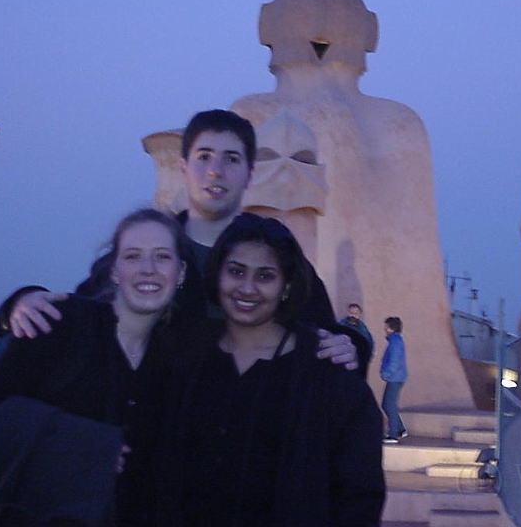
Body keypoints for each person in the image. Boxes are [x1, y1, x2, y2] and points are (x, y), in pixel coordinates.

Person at [0, 110, 359, 368]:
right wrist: (21, 303)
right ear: (184, 168)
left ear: (250, 174)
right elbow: (84, 312)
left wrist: (351, 344)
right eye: (204, 157)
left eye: (231, 159)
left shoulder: (274, 252)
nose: (216, 170)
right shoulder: (149, 250)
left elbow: (324, 331)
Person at [0, 208, 190, 526]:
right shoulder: (61, 322)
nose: (147, 269)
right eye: (133, 256)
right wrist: (88, 447)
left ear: (181, 273)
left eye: (162, 257)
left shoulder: (170, 363)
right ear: (114, 270)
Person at [155, 213, 385, 526]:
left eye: (265, 276)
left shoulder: (328, 380)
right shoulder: (185, 362)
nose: (247, 288)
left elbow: (359, 497)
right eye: (236, 271)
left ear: (286, 286)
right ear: (217, 274)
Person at [380, 316, 408, 444]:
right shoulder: (395, 341)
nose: (384, 329)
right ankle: (400, 429)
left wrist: (386, 373)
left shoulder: (395, 342)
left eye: (386, 327)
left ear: (391, 328)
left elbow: (394, 362)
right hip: (396, 377)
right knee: (389, 404)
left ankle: (393, 434)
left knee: (388, 404)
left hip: (394, 378)